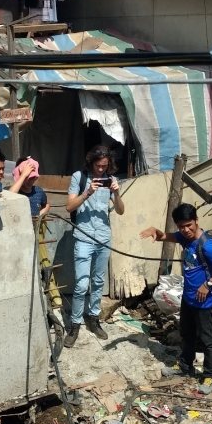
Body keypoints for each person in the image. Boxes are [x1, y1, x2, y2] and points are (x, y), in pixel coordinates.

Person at [140, 204, 212, 388]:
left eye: (189, 225)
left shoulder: (207, 246)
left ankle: (210, 376)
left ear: (196, 221)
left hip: (206, 301)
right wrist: (156, 231)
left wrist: (208, 284)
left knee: (208, 340)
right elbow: (165, 236)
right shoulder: (185, 238)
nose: (185, 230)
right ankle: (186, 366)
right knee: (187, 334)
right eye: (181, 226)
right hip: (188, 298)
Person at [64, 145, 125, 347]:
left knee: (98, 282)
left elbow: (121, 210)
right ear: (91, 162)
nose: (101, 170)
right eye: (98, 166)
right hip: (83, 236)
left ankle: (94, 318)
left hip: (103, 238)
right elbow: (69, 206)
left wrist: (116, 193)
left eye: (105, 166)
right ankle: (74, 324)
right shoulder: (78, 177)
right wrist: (88, 192)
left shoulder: (111, 179)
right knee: (82, 284)